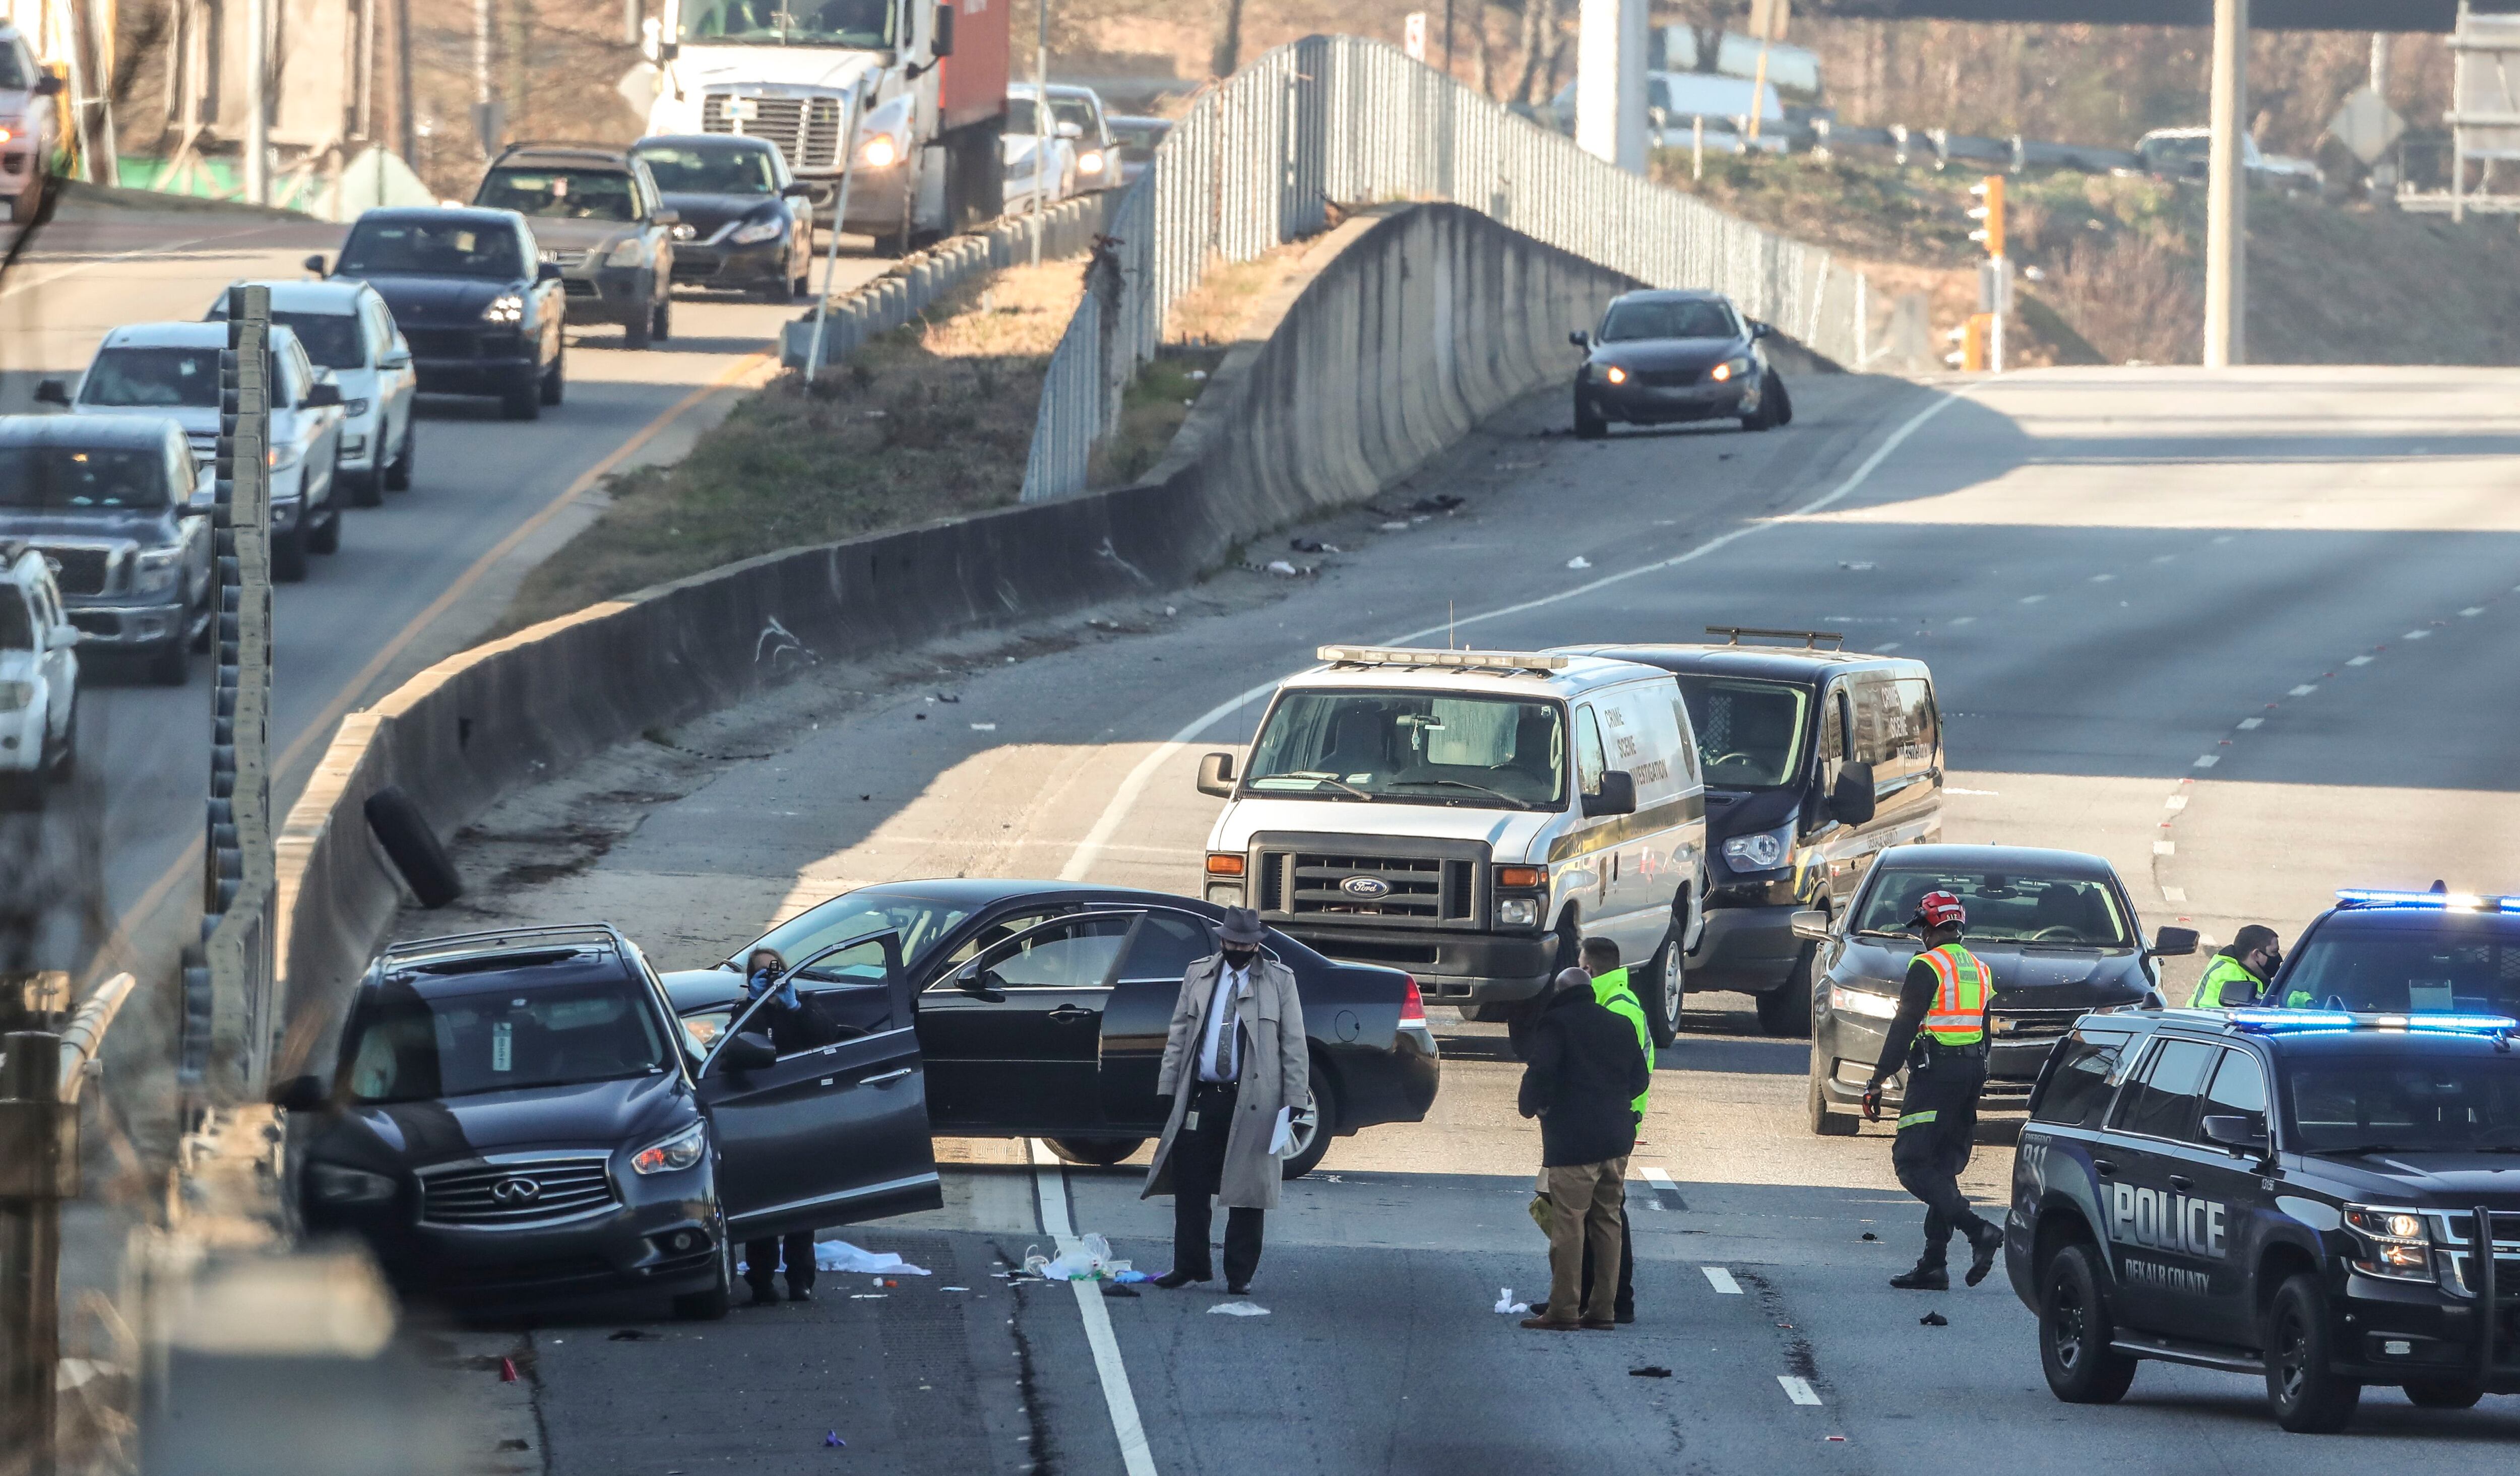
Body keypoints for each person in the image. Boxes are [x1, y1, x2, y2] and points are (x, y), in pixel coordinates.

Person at [1143, 908, 1308, 1295]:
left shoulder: (1280, 981)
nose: (1238, 949)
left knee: (1248, 1192)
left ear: (1257, 944)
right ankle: (1189, 1266)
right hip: (1202, 1096)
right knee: (1191, 1185)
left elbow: (1294, 1042)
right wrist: (1168, 1087)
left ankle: (1240, 1275)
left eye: (1246, 944)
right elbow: (1179, 1033)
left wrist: (1295, 1096)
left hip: (1254, 1100)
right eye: (1232, 942)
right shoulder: (1198, 974)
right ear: (1221, 940)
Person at [1860, 891, 2006, 1292]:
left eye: (1921, 927)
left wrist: (1878, 1078)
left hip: (1937, 1073)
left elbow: (1905, 1023)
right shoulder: (1979, 968)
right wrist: (1976, 1075)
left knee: (1910, 1161)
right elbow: (1984, 1030)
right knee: (1942, 1165)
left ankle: (1979, 1231)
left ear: (1930, 927)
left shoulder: (1927, 965)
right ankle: (1934, 1263)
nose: (1920, 935)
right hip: (1972, 1070)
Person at [1517, 967, 1650, 1332]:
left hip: (1574, 1142)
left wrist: (1532, 1106)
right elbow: (1640, 1078)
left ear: (1559, 992)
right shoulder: (1619, 1023)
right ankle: (1603, 1309)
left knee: (1570, 1223)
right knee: (1608, 1221)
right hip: (1616, 1139)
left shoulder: (1557, 1024)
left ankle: (1563, 1309)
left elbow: (1540, 1074)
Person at [734, 948, 833, 1305]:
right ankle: (761, 1280)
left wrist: (792, 1005)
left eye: (775, 971)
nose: (771, 978)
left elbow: (826, 1038)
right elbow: (734, 1046)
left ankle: (800, 1279)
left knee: (800, 1205)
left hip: (800, 1113)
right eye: (763, 974)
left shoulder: (805, 1003)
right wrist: (754, 1002)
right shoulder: (748, 1010)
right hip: (761, 1117)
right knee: (762, 1204)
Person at [2187, 925, 2285, 1008]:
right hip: (2206, 1028)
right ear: (2256, 955)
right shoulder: (2231, 975)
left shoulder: (2244, 969)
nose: (2278, 958)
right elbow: (2268, 1003)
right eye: (2274, 952)